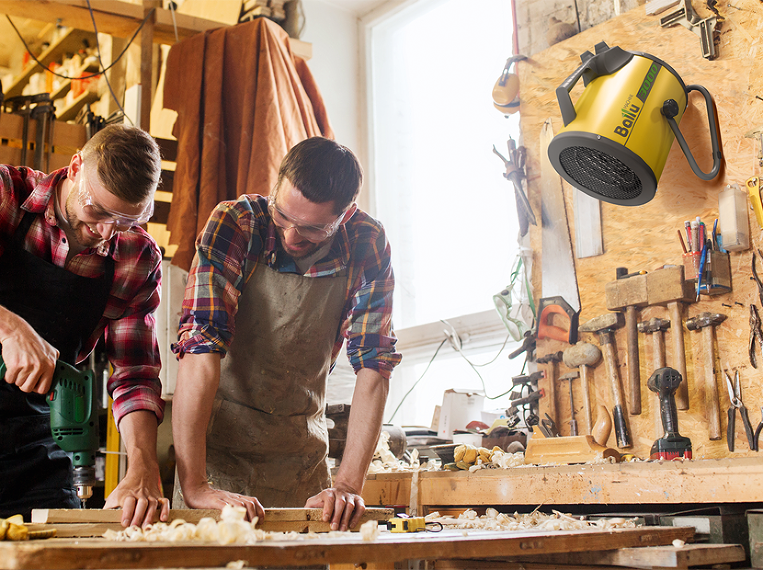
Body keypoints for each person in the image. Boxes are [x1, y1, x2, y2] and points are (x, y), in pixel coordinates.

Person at [172, 136, 401, 531]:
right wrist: (195, 486)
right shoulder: (237, 224)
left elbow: (374, 366)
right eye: (283, 216)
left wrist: (347, 484)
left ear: (344, 216)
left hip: (301, 462)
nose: (292, 236)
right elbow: (199, 349)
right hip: (216, 459)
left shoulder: (367, 243)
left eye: (313, 229)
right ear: (275, 186)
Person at [0, 124, 169, 527]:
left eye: (127, 219)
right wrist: (9, 327)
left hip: (33, 441)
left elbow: (135, 373)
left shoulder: (136, 258)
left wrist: (142, 466)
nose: (106, 232)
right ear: (75, 166)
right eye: (98, 211)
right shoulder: (7, 195)